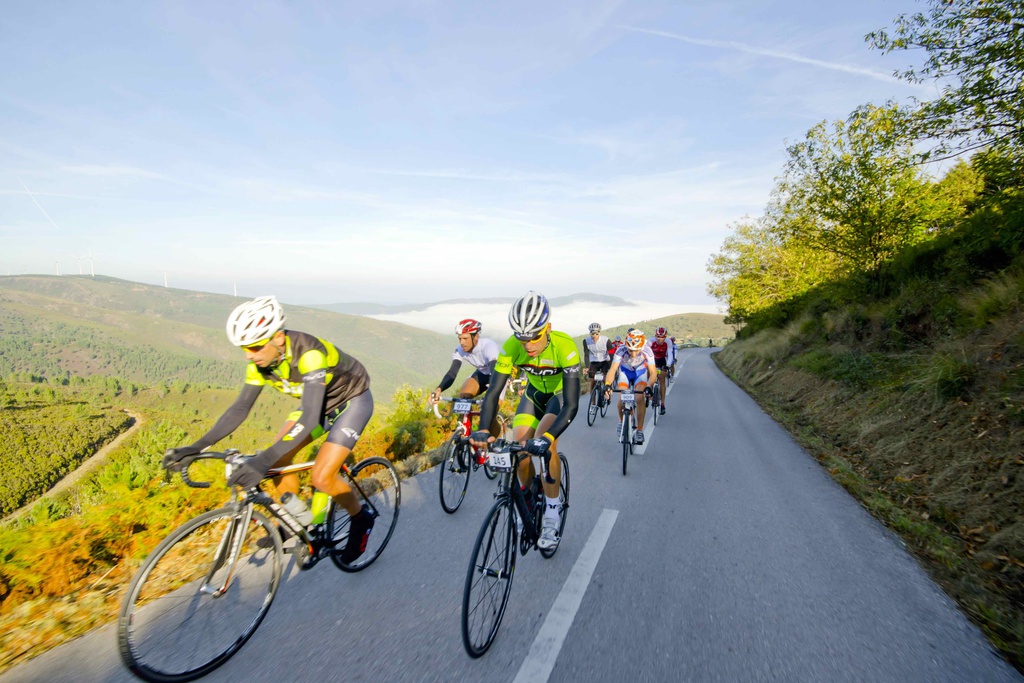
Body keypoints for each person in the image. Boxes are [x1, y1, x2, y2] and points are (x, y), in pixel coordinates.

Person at [162, 296, 375, 563]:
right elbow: (240, 409)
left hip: (351, 401)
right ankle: (296, 524)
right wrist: (195, 447)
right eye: (244, 348)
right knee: (278, 457)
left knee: (321, 477)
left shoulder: (309, 355)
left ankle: (360, 518)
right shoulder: (259, 365)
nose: (249, 355)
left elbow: (309, 419)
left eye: (255, 346)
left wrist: (261, 462)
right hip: (316, 403)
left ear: (277, 338)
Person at [470, 291, 581, 551]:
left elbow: (573, 404)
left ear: (548, 329)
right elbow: (493, 393)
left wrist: (547, 438)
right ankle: (528, 501)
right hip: (532, 396)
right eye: (522, 338)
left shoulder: (565, 347)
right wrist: (483, 429)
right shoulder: (511, 348)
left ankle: (552, 515)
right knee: (519, 452)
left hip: (558, 398)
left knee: (544, 445)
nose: (528, 344)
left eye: (534, 337)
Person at [429, 318, 503, 441]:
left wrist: (491, 393)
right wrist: (439, 389)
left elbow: (494, 370)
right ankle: (466, 428)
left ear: (476, 337)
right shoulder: (460, 350)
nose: (462, 342)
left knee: (490, 408)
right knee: (463, 396)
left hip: (497, 374)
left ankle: (492, 439)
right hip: (482, 374)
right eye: (460, 338)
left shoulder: (488, 346)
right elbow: (452, 373)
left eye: (465, 338)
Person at [604, 329, 657, 444]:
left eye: (636, 350)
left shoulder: (647, 350)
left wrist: (649, 386)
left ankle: (639, 430)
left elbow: (653, 373)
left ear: (641, 346)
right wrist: (607, 385)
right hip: (625, 373)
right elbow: (612, 370)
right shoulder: (621, 350)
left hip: (640, 373)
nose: (633, 354)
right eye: (630, 350)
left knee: (639, 398)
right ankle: (621, 421)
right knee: (622, 397)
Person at [582, 322, 614, 404]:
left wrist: (611, 368)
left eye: (597, 333)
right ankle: (593, 403)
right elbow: (586, 355)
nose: (595, 336)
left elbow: (611, 354)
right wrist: (586, 367)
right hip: (594, 362)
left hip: (604, 361)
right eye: (593, 334)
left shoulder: (606, 340)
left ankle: (607, 392)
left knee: (605, 379)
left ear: (600, 333)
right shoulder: (586, 341)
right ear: (590, 333)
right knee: (592, 382)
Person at [650, 327, 670, 415]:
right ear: (655, 335)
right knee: (648, 373)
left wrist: (667, 365)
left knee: (662, 380)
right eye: (658, 336)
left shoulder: (668, 342)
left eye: (662, 337)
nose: (660, 339)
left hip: (662, 361)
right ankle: (649, 391)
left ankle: (662, 404)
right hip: (652, 360)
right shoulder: (651, 341)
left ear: (665, 337)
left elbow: (670, 354)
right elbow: (645, 352)